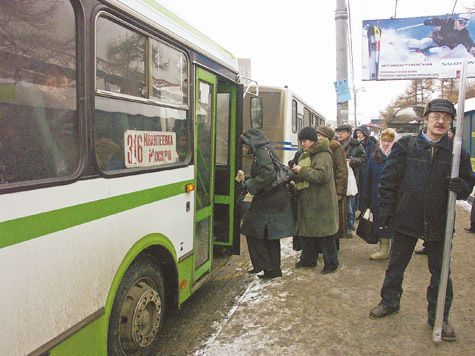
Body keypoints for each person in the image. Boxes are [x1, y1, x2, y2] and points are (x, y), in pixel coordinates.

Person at [369, 99, 474, 342]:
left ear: (450, 123)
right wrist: (386, 209)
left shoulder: (457, 151)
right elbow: (389, 180)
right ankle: (389, 301)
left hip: (440, 220)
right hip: (407, 217)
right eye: (435, 116)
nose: (440, 121)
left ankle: (439, 315)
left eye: (446, 118)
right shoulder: (406, 146)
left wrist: (462, 187)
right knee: (396, 264)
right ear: (425, 120)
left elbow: (468, 185)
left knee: (440, 271)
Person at [238, 128, 294, 279]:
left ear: (252, 142)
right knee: (270, 235)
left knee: (251, 231)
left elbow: (268, 174)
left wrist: (249, 185)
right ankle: (272, 270)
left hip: (269, 199)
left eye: (246, 144)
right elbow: (268, 172)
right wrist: (250, 179)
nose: (245, 147)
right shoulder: (266, 149)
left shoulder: (261, 152)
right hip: (274, 197)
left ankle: (265, 266)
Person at [292, 127, 339, 273]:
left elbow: (322, 176)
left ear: (313, 140)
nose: (303, 144)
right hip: (309, 200)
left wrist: (302, 171)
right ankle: (308, 260)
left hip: (321, 202)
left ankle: (331, 263)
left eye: (305, 141)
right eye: (301, 141)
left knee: (325, 235)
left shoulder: (323, 154)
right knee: (307, 233)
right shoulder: (307, 154)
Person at [362, 128, 399, 260]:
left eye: (389, 141)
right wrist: (366, 197)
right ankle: (383, 249)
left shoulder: (399, 156)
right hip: (377, 196)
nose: (386, 144)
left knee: (394, 223)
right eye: (384, 140)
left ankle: (395, 251)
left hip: (396, 197)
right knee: (380, 221)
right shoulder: (374, 156)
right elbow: (368, 177)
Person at [316, 125, 348, 243]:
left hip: (334, 188)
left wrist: (340, 191)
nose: (318, 138)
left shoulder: (336, 148)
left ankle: (335, 245)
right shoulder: (319, 148)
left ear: (327, 137)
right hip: (326, 189)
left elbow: (342, 171)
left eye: (320, 135)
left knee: (336, 219)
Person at [336, 124, 366, 238]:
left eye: (342, 132)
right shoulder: (334, 144)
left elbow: (363, 159)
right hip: (338, 178)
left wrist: (352, 161)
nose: (339, 134)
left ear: (348, 133)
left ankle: (349, 227)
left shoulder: (356, 145)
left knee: (349, 205)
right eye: (338, 132)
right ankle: (340, 227)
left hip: (352, 179)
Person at [408, 13, 475, 56]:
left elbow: (470, 44)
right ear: (457, 20)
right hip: (434, 40)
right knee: (422, 44)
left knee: (443, 51)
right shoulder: (449, 21)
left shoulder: (464, 34)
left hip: (444, 47)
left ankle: (424, 53)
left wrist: (473, 50)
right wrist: (431, 21)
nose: (462, 25)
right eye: (461, 22)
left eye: (465, 24)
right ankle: (407, 44)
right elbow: (439, 21)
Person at [354, 126, 377, 212]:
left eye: (360, 133)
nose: (359, 135)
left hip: (366, 169)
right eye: (358, 133)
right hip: (358, 169)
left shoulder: (370, 143)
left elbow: (371, 157)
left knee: (364, 189)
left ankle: (363, 209)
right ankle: (358, 208)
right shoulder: (356, 143)